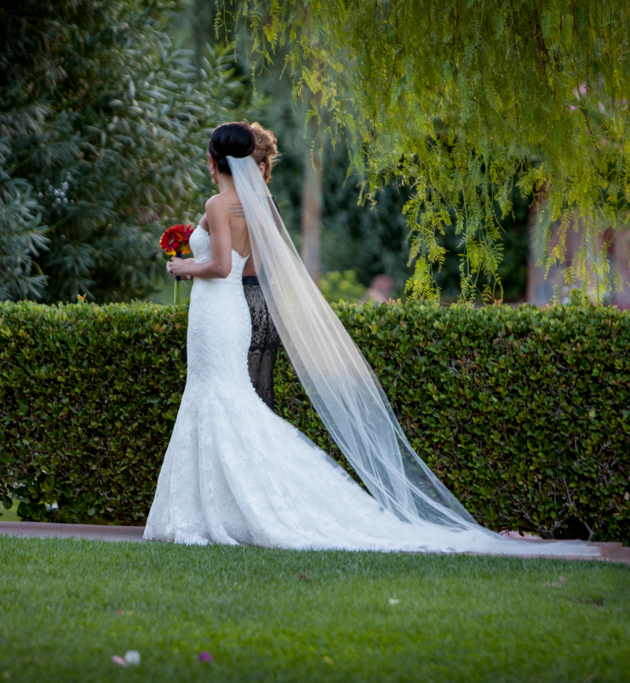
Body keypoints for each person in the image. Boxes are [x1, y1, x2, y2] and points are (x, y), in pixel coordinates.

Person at [145, 122, 597, 556]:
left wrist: (184, 266)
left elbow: (222, 266)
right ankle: (225, 509)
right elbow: (244, 261)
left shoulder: (218, 204)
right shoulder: (253, 203)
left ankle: (217, 511)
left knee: (218, 396)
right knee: (223, 397)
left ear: (214, 160)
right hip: (232, 314)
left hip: (216, 311)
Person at [191, 123, 281, 411]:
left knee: (241, 398)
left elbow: (236, 267)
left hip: (243, 300)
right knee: (247, 396)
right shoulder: (251, 204)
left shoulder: (228, 205)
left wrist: (190, 268)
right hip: (246, 303)